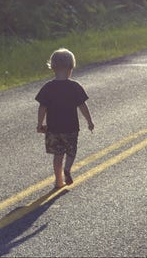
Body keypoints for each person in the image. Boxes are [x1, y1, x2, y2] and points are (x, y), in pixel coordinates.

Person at [35, 48, 94, 189]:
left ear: (53, 67)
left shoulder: (48, 87)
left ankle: (58, 181)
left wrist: (39, 124)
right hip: (71, 128)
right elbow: (82, 106)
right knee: (71, 151)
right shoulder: (74, 87)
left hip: (53, 128)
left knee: (57, 154)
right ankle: (67, 168)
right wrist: (89, 121)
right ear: (71, 68)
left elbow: (42, 107)